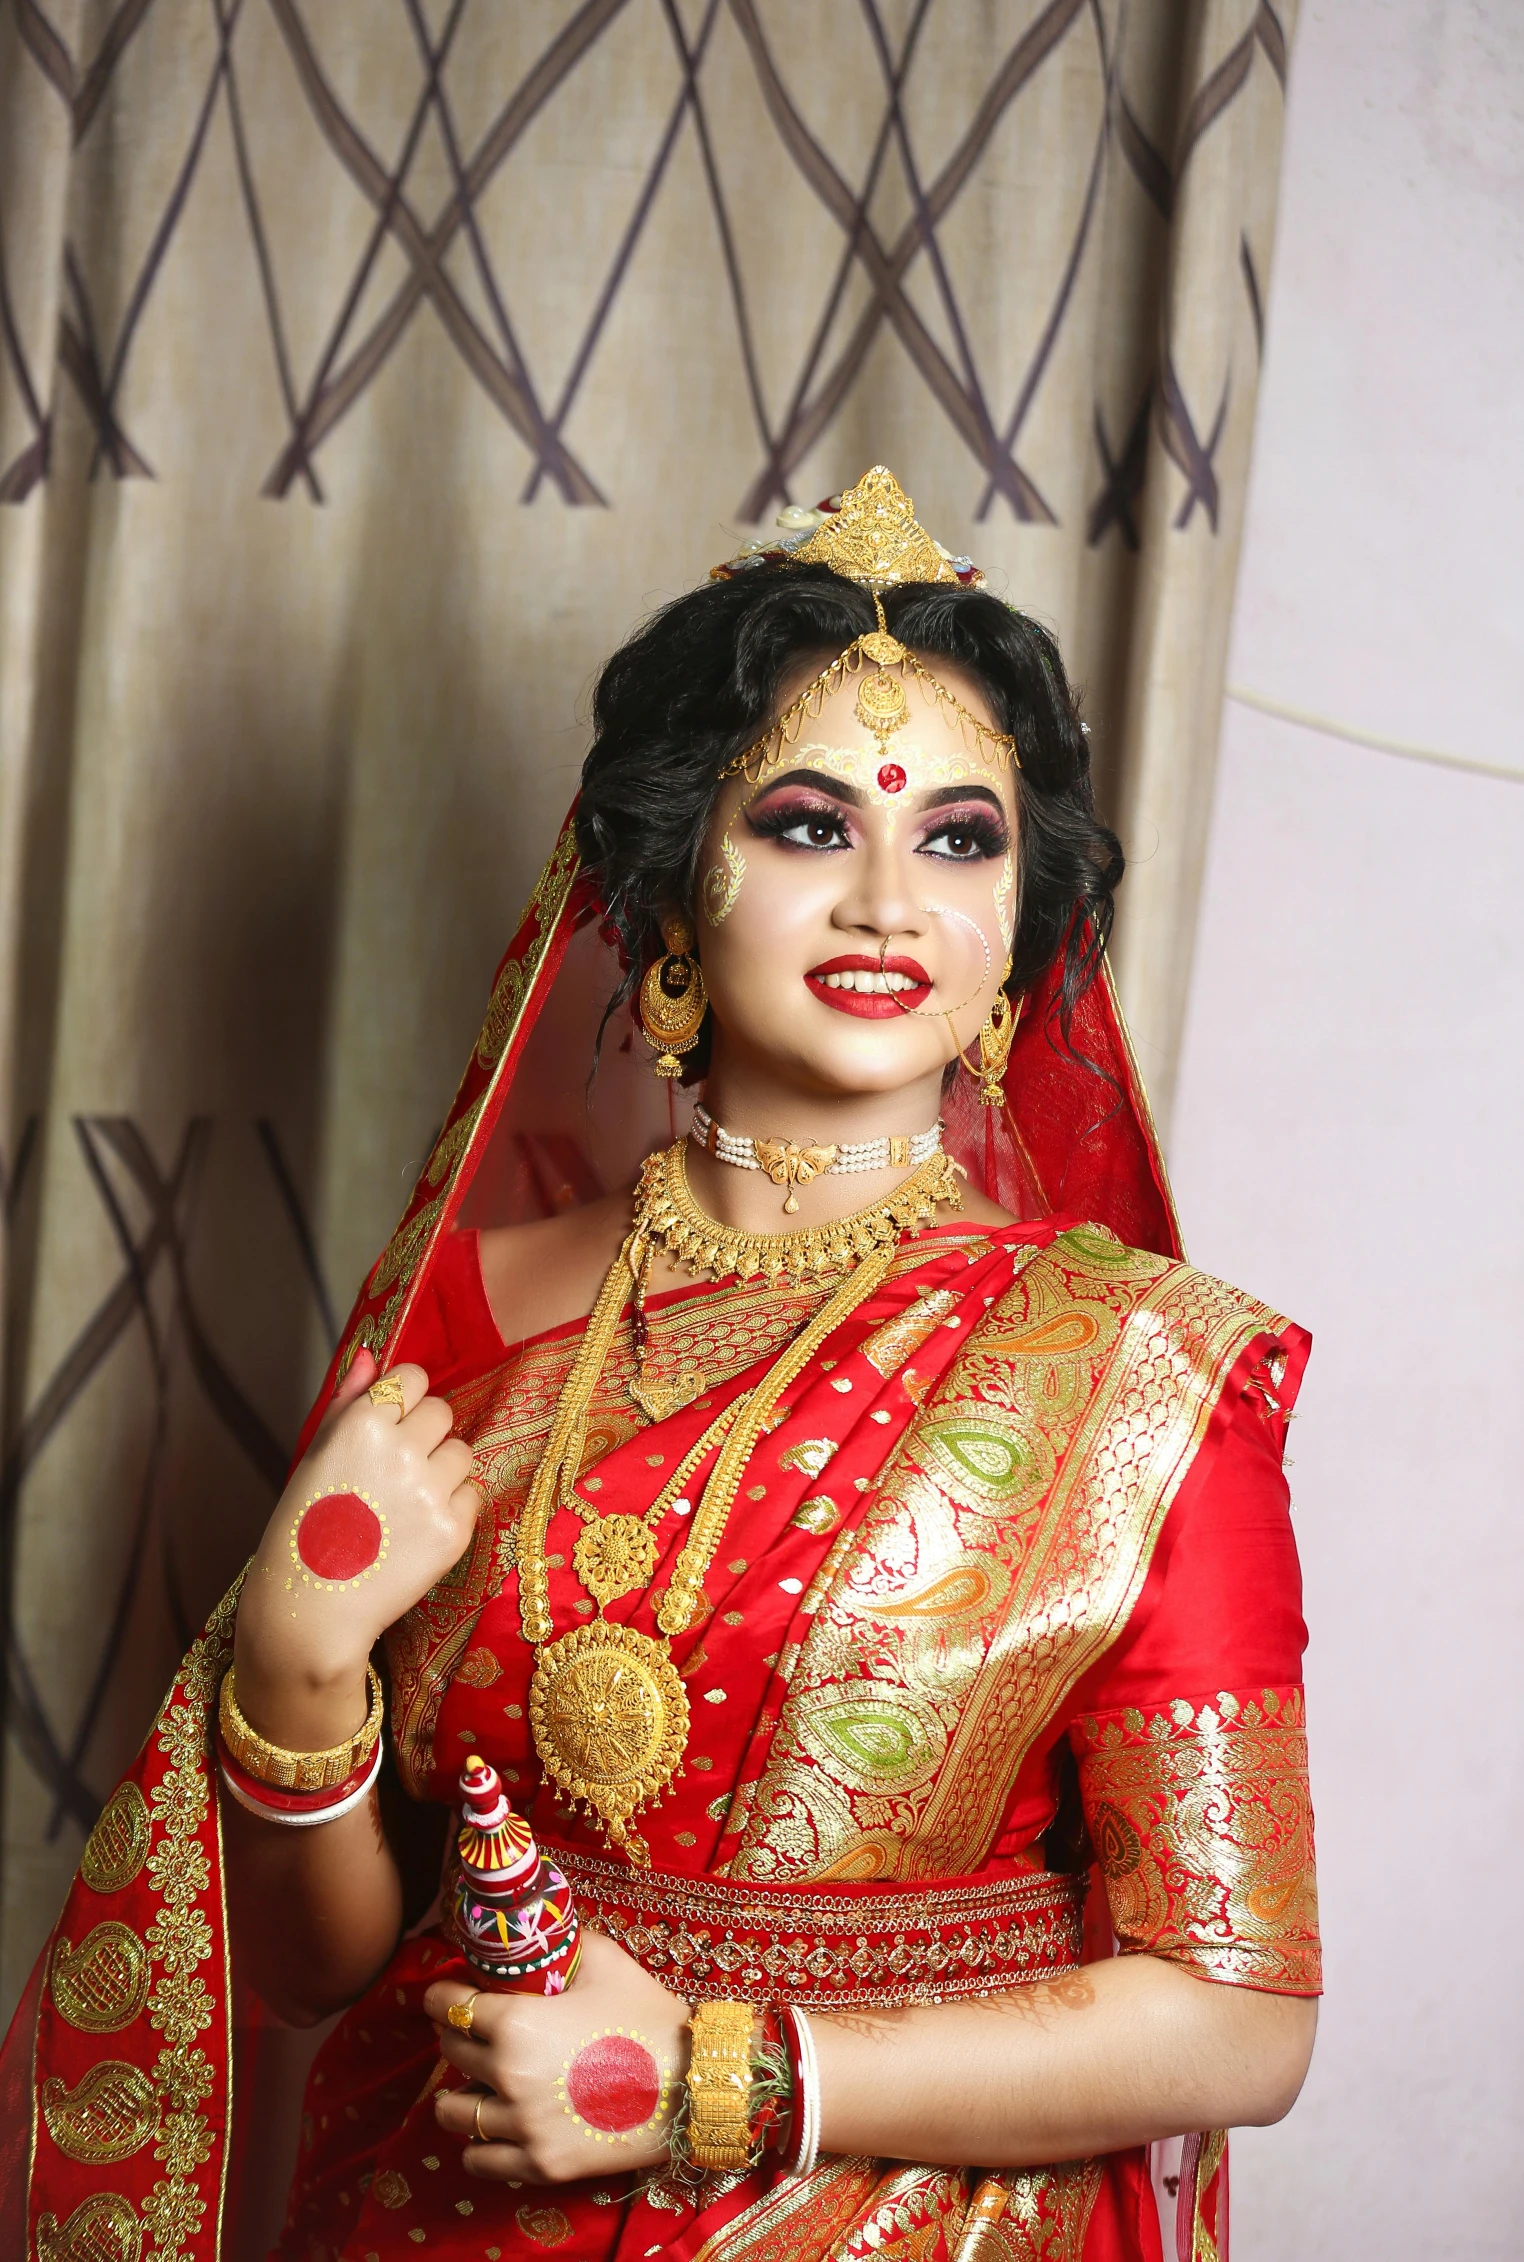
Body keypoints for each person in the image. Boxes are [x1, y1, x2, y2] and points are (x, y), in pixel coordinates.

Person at [7, 469, 1319, 2262]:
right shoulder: (472, 1317)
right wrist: (303, 1668)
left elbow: (1238, 2015)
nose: (885, 899)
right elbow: (322, 1964)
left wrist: (721, 2077)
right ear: (666, 882)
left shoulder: (1144, 1376)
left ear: (1020, 928)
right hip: (447, 2206)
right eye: (801, 823)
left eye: (958, 837)